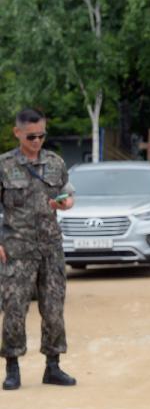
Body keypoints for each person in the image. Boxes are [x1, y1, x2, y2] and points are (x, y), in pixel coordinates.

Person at [0, 108, 76, 390]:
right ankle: (12, 367)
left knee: (54, 308)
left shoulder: (55, 163)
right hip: (16, 250)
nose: (37, 141)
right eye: (31, 136)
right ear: (17, 132)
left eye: (42, 135)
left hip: (51, 249)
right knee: (15, 310)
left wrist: (66, 203)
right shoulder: (4, 165)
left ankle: (53, 366)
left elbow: (68, 194)